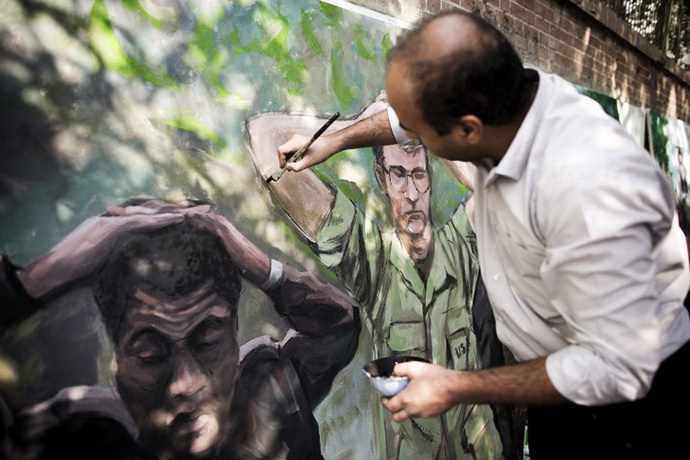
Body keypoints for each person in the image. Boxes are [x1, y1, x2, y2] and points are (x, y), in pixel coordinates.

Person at [274, 10, 690, 459]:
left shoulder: (585, 190)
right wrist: (337, 139)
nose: (412, 148)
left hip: (620, 402)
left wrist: (456, 385)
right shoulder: (509, 104)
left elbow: (616, 366)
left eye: (422, 138)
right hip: (556, 383)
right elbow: (407, 119)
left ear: (468, 131)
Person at [247, 107, 513, 459]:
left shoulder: (462, 243)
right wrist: (362, 125)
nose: (413, 192)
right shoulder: (372, 260)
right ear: (381, 178)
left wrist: (417, 122)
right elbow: (265, 138)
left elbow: (502, 184)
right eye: (399, 175)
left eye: (419, 174)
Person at [0, 199, 359, 459]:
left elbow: (337, 325)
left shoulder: (269, 387)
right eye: (150, 356)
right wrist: (37, 278)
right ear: (117, 364)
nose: (185, 384)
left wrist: (258, 264)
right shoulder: (81, 433)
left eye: (207, 342)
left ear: (234, 336)